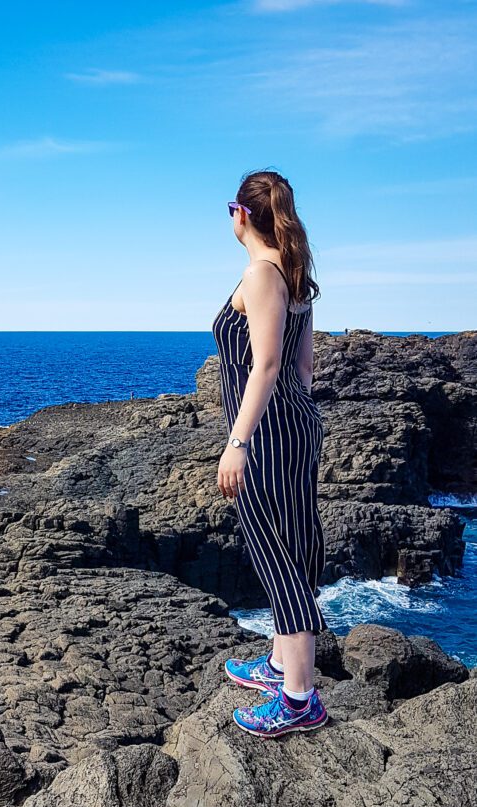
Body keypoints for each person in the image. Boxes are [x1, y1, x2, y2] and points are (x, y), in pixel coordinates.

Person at [212, 169, 328, 738]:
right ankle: (281, 663)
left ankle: (301, 697)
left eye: (230, 207)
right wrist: (295, 422)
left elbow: (268, 365)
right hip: (295, 425)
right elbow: (304, 370)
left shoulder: (261, 275)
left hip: (267, 435)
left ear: (243, 215)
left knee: (277, 552)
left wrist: (239, 442)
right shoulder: (295, 273)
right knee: (292, 541)